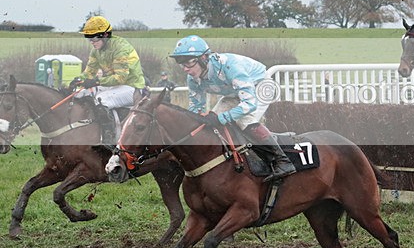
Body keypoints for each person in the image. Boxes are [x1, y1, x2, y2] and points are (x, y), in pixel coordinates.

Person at [169, 35, 295, 182]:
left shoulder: (230, 67)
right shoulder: (192, 78)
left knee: (243, 120)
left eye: (189, 63)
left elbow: (249, 104)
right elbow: (196, 108)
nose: (185, 69)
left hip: (260, 86)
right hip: (234, 92)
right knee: (210, 121)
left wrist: (221, 118)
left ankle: (282, 160)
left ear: (204, 58)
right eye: (181, 64)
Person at [70, 16, 147, 144]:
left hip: (133, 88)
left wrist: (96, 82)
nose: (92, 42)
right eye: (88, 38)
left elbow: (120, 78)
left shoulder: (120, 48)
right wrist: (76, 81)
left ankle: (109, 138)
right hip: (115, 86)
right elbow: (89, 73)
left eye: (94, 37)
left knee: (101, 100)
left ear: (105, 35)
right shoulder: (96, 51)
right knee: (80, 94)